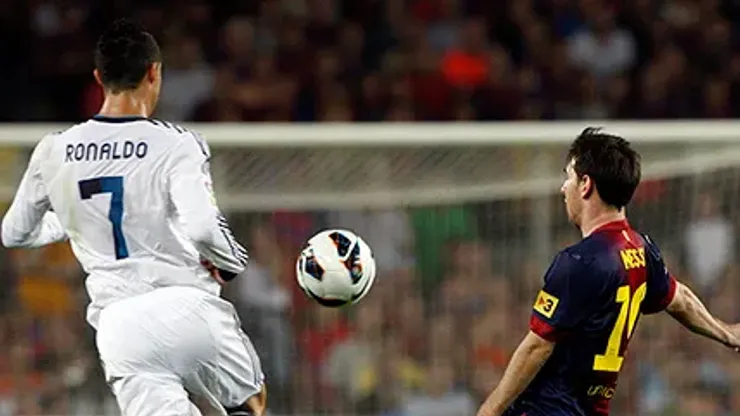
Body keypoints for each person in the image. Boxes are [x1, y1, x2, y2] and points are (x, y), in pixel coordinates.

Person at [0, 19, 265, 416]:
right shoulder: (177, 143)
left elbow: (13, 234)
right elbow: (202, 228)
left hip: (119, 326)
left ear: (98, 77)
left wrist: (73, 223)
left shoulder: (54, 149)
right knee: (251, 404)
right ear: (154, 72)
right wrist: (232, 262)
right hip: (185, 306)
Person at [476, 127, 740, 416]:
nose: (563, 188)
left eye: (568, 177)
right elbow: (681, 300)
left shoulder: (579, 261)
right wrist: (726, 332)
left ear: (585, 185)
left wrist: (489, 410)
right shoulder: (642, 250)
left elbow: (537, 347)